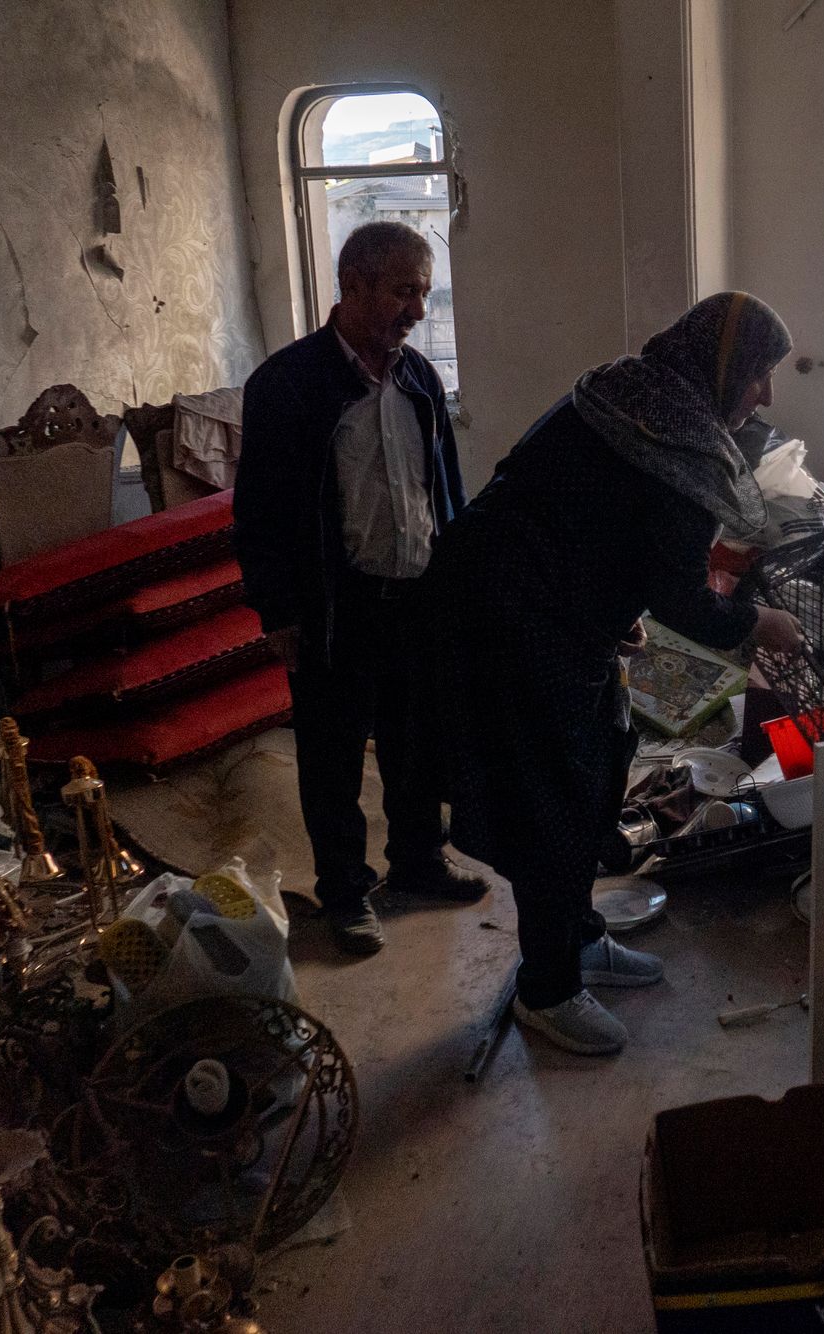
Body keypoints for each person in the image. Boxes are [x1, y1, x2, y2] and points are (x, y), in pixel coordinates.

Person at [426, 292, 806, 1056]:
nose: (766, 393)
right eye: (759, 372)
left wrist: (608, 605)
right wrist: (759, 623)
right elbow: (681, 597)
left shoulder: (632, 390)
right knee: (554, 802)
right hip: (509, 623)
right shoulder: (675, 437)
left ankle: (578, 939)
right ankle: (547, 990)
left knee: (598, 774)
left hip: (535, 605)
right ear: (723, 366)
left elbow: (589, 515)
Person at [234, 221, 490, 957]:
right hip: (334, 607)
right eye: (405, 291)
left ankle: (418, 861)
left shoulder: (419, 380)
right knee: (333, 756)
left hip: (416, 597)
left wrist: (457, 584)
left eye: (424, 292)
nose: (418, 310)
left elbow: (446, 493)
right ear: (353, 285)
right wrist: (278, 612)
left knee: (417, 743)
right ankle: (345, 893)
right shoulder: (287, 385)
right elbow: (259, 513)